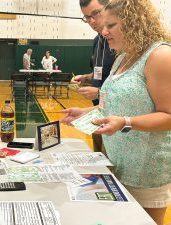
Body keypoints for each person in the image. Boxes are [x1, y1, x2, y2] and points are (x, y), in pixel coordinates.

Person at [62, 0, 171, 224]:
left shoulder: (160, 56)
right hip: (115, 164)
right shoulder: (123, 56)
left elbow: (168, 116)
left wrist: (124, 122)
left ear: (133, 23)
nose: (103, 31)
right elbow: (111, 103)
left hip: (145, 172)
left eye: (111, 25)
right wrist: (86, 112)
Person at [70, 0, 116, 153]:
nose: (92, 21)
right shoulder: (97, 40)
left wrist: (98, 91)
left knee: (110, 157)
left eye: (96, 13)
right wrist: (86, 77)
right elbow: (100, 71)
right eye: (87, 17)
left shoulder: (120, 40)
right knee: (99, 156)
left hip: (116, 114)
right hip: (97, 110)